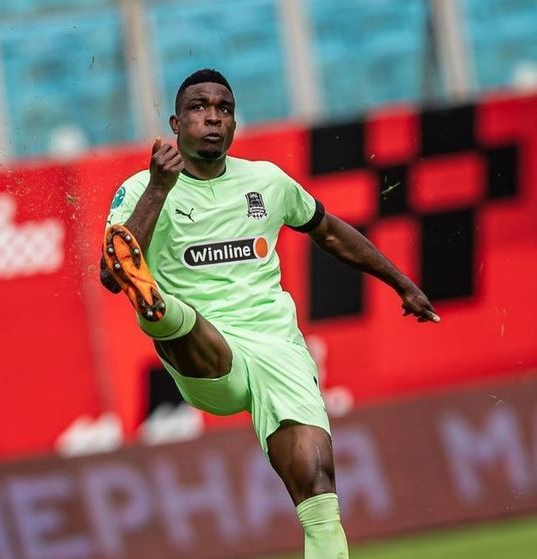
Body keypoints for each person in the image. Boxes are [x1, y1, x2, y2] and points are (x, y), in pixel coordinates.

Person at [100, 68, 439, 559]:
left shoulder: (267, 182)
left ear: (234, 123)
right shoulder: (140, 188)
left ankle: (157, 308)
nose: (213, 117)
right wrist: (159, 188)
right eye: (198, 108)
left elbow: (328, 230)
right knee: (174, 313)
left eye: (224, 109)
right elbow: (110, 275)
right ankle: (157, 308)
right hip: (210, 356)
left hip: (279, 350)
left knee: (319, 492)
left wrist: (401, 282)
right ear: (175, 123)